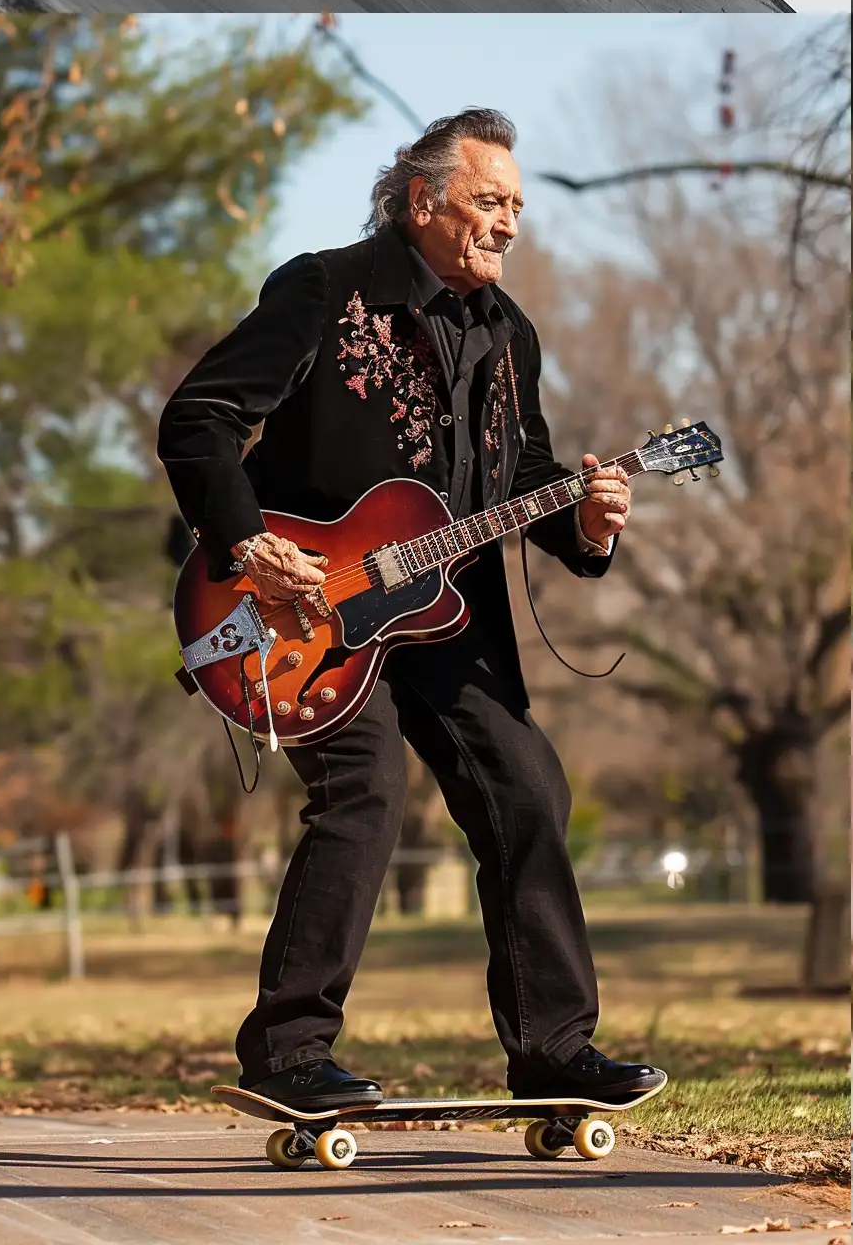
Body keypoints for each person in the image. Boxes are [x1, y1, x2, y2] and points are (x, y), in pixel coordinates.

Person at [158, 108, 664, 1117]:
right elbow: (200, 416)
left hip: (450, 619)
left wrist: (591, 524)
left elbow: (515, 475)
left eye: (518, 204)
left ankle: (554, 1051)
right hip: (302, 610)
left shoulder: (508, 332)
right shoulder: (327, 287)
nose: (510, 222)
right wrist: (249, 546)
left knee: (529, 791)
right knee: (366, 791)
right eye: (490, 199)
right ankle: (289, 1050)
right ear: (423, 200)